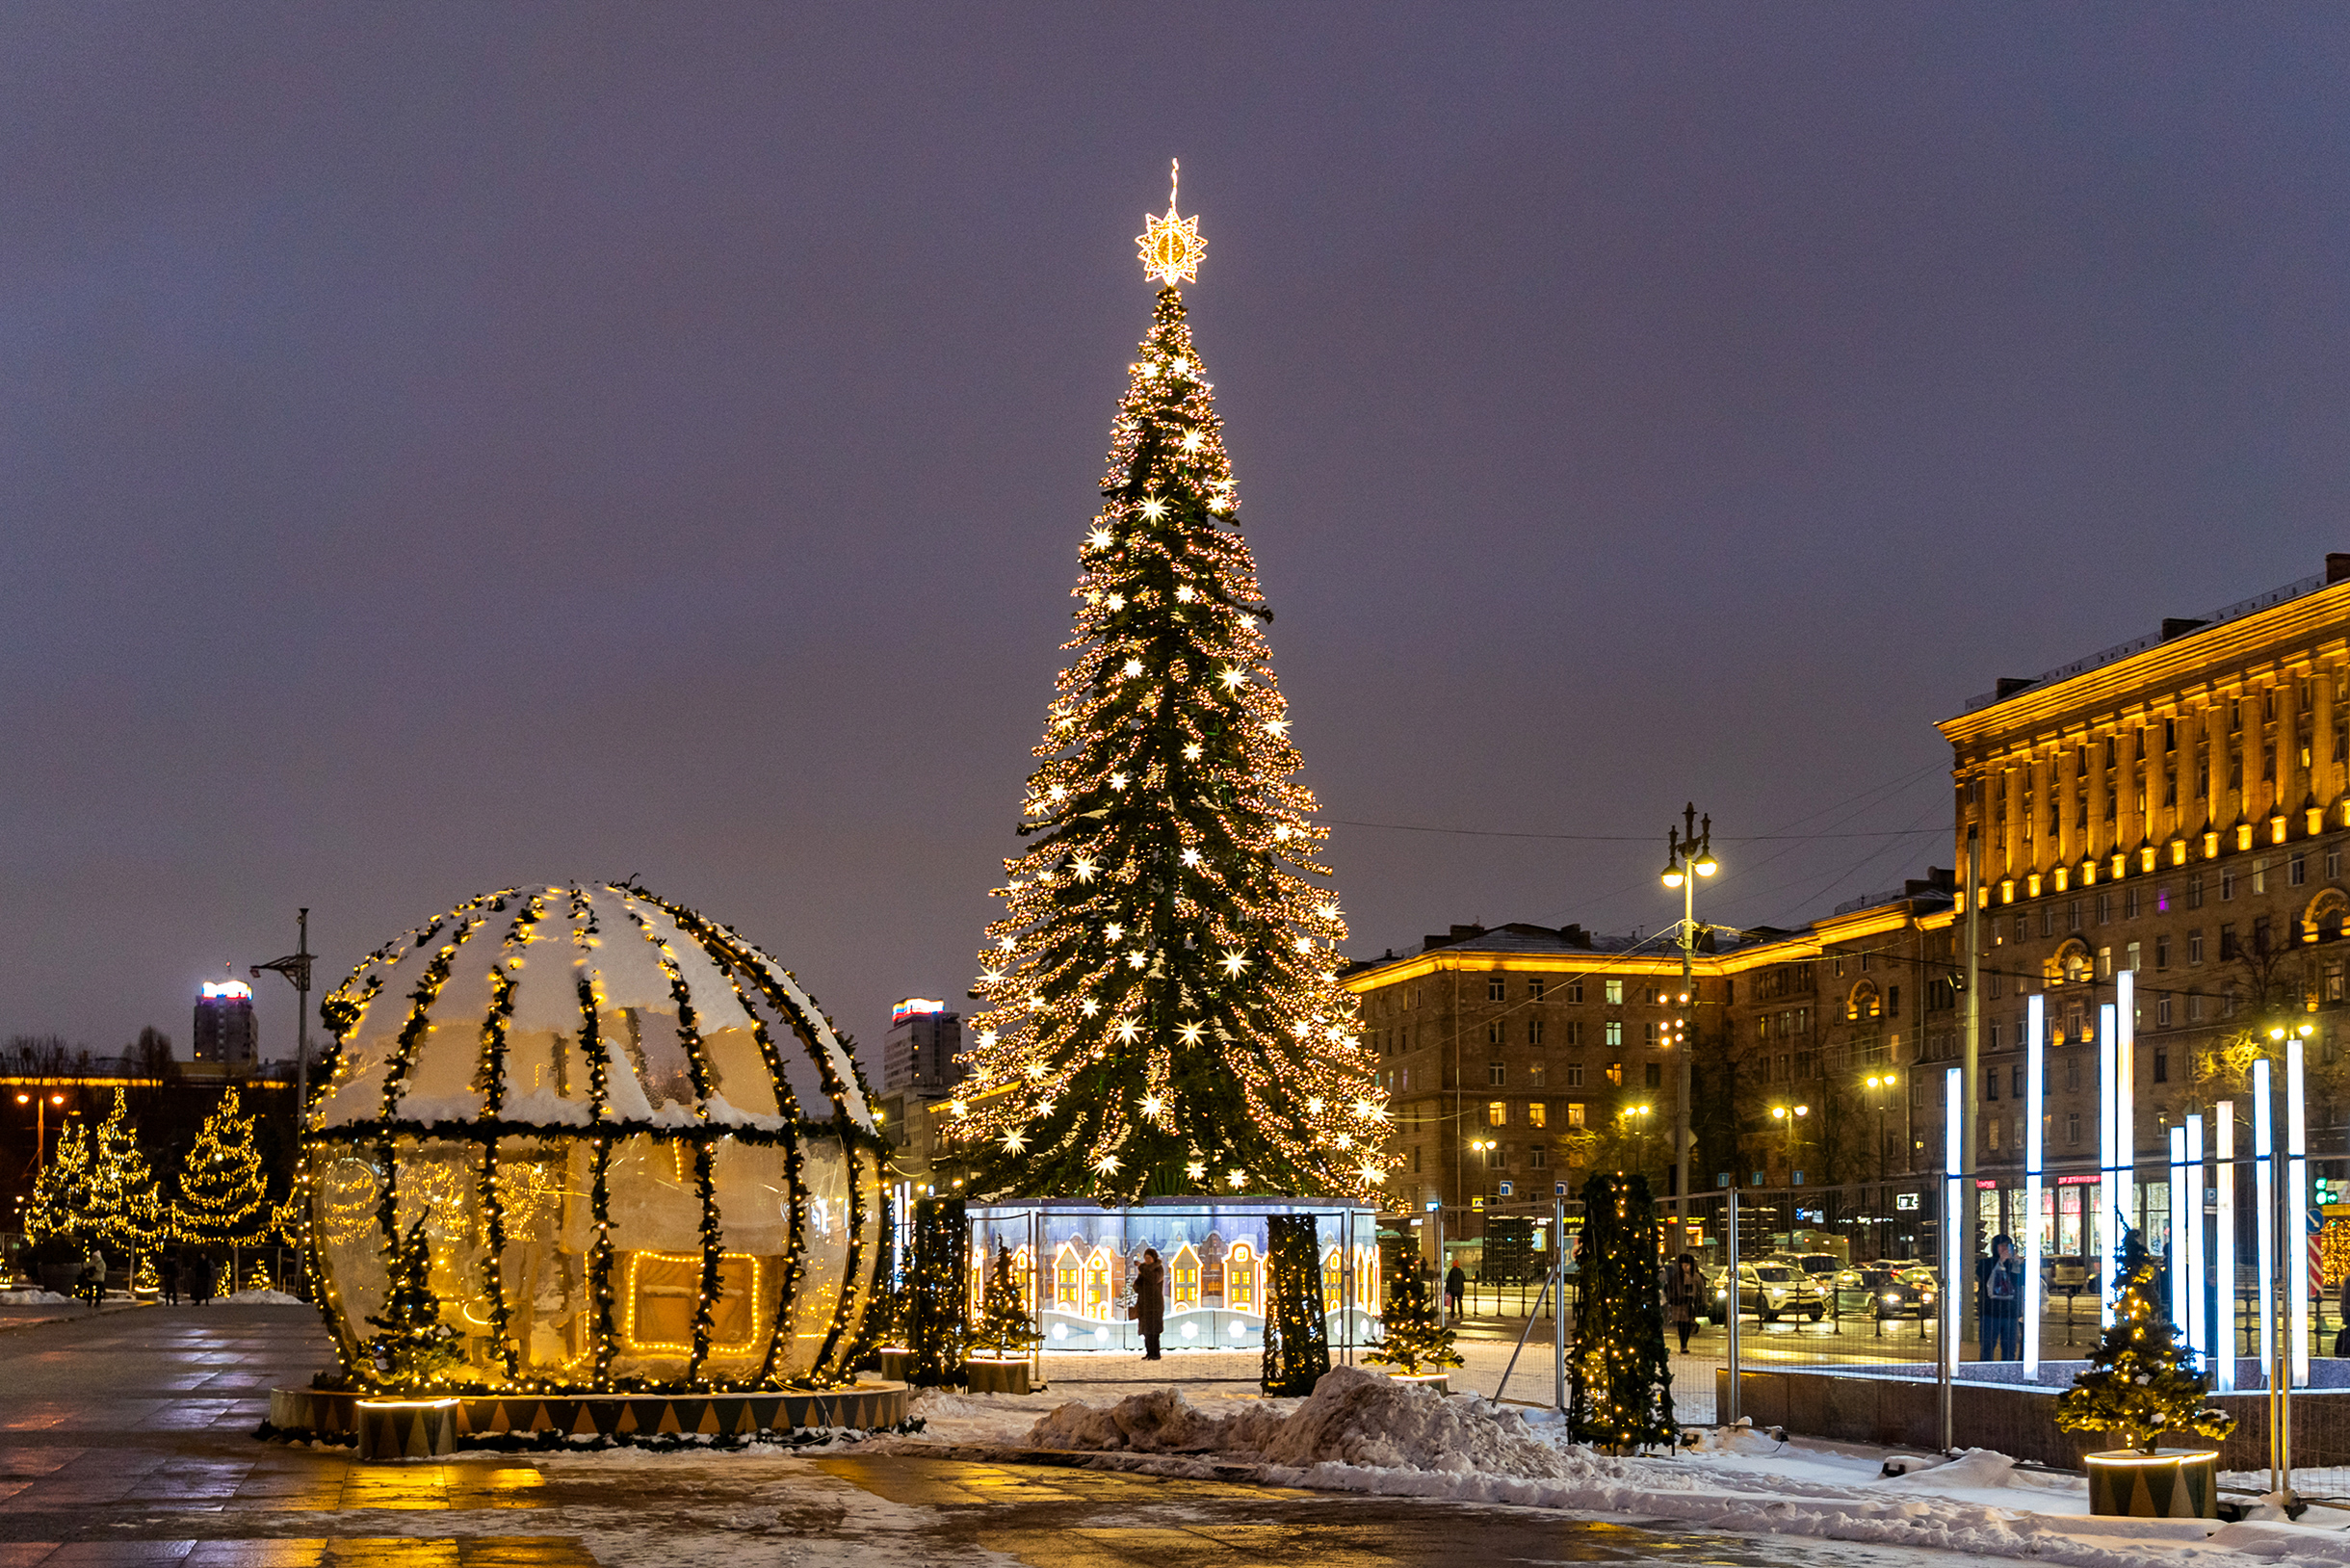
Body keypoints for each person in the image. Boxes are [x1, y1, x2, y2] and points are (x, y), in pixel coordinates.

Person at [1977, 1234, 2022, 1360]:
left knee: (2010, 1348)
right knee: (1987, 1347)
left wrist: (2017, 1265)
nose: (2005, 1249)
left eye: (2008, 1246)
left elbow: (2019, 1282)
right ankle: (1986, 1373)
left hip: (2010, 1313)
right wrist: (2000, 1262)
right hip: (1990, 1312)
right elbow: (1985, 1277)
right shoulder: (1985, 1263)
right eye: (2001, 1245)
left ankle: (2008, 1374)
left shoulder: (2013, 1264)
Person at [1664, 1253, 1703, 1353]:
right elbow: (1670, 1289)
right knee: (1681, 1324)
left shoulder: (1696, 1277)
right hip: (1680, 1303)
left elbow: (1701, 1291)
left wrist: (1702, 1302)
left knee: (1688, 1324)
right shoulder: (1677, 1277)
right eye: (1683, 1265)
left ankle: (1685, 1343)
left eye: (1687, 1265)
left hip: (1690, 1304)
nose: (1685, 1268)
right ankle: (1683, 1345)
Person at [1135, 1246, 1165, 1361]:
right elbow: (1137, 1287)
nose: (1146, 1260)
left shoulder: (1158, 1269)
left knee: (1154, 1331)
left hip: (1155, 1305)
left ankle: (1155, 1354)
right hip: (1145, 1305)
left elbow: (1153, 1280)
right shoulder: (1144, 1271)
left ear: (1153, 1258)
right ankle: (1149, 1352)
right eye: (1145, 1258)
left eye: (1149, 1258)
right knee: (1147, 1331)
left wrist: (1142, 1268)